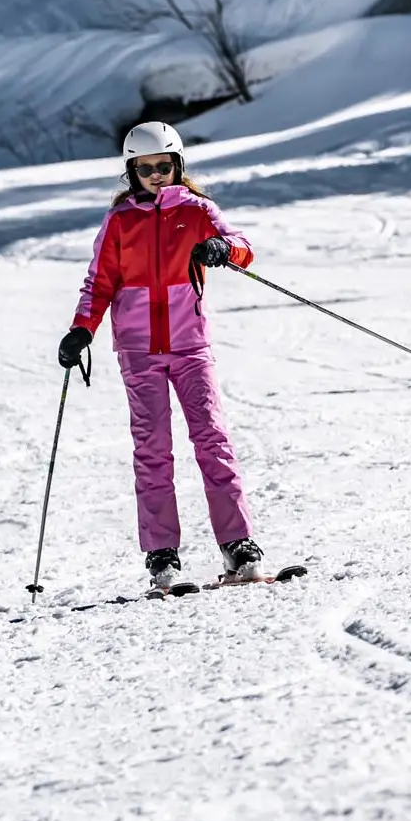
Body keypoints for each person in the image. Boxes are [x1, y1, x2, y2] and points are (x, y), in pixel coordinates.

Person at [57, 121, 266, 588]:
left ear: (178, 166)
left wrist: (221, 247)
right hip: (138, 349)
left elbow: (243, 248)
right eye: (145, 167)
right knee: (152, 449)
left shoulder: (196, 210)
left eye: (164, 166)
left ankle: (237, 542)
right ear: (132, 171)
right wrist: (81, 330)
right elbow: (100, 282)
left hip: (190, 344)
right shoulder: (120, 220)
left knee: (211, 440)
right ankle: (161, 553)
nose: (156, 174)